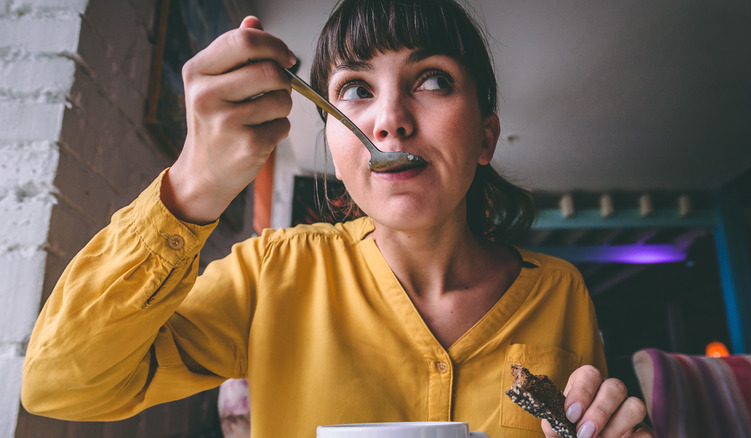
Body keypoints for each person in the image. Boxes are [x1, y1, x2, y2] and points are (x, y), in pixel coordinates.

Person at [21, 1, 652, 437]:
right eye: (355, 88)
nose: (389, 119)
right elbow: (60, 384)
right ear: (332, 137)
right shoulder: (273, 273)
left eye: (431, 80)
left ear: (485, 139)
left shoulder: (559, 290)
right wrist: (193, 183)